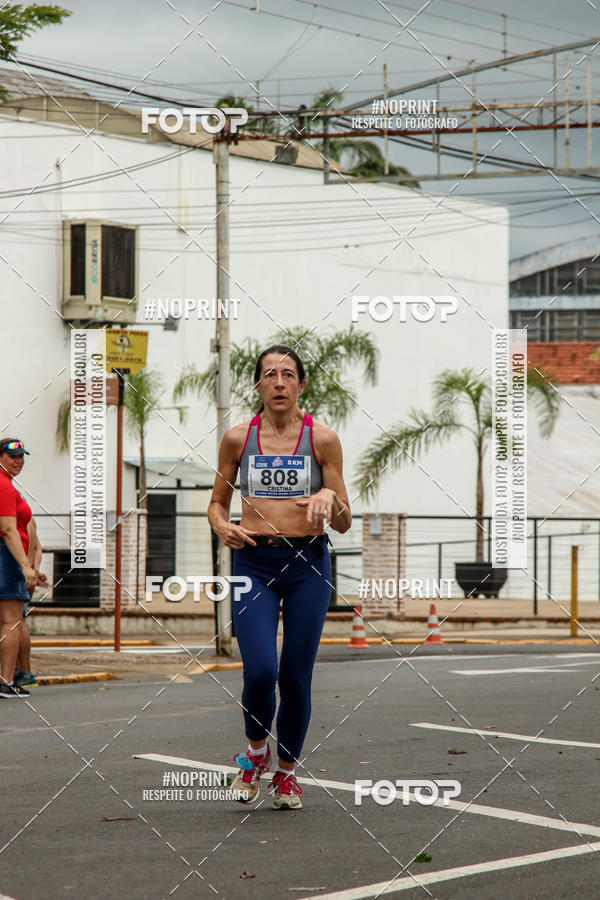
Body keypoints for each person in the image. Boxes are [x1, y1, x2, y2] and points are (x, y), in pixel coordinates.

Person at [208, 346, 351, 810]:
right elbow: (215, 502)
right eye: (270, 374)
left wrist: (329, 496)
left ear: (301, 385)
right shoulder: (237, 439)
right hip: (253, 562)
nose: (279, 382)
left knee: (294, 677)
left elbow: (346, 520)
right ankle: (254, 753)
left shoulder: (322, 440)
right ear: (259, 385)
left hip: (308, 564)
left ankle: (286, 774)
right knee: (260, 672)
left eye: (288, 374)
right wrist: (221, 524)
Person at [0, 438, 36, 698]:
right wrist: (25, 565)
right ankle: (6, 681)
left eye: (22, 456)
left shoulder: (7, 484)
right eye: (13, 456)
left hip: (8, 556)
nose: (19, 460)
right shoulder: (3, 485)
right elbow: (8, 529)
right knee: (12, 621)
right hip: (6, 556)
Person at [14, 517, 46, 688]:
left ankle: (22, 671)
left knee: (14, 622)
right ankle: (21, 670)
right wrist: (34, 569)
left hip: (18, 574)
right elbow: (38, 548)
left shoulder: (14, 517)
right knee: (19, 621)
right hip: (28, 575)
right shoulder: (30, 519)